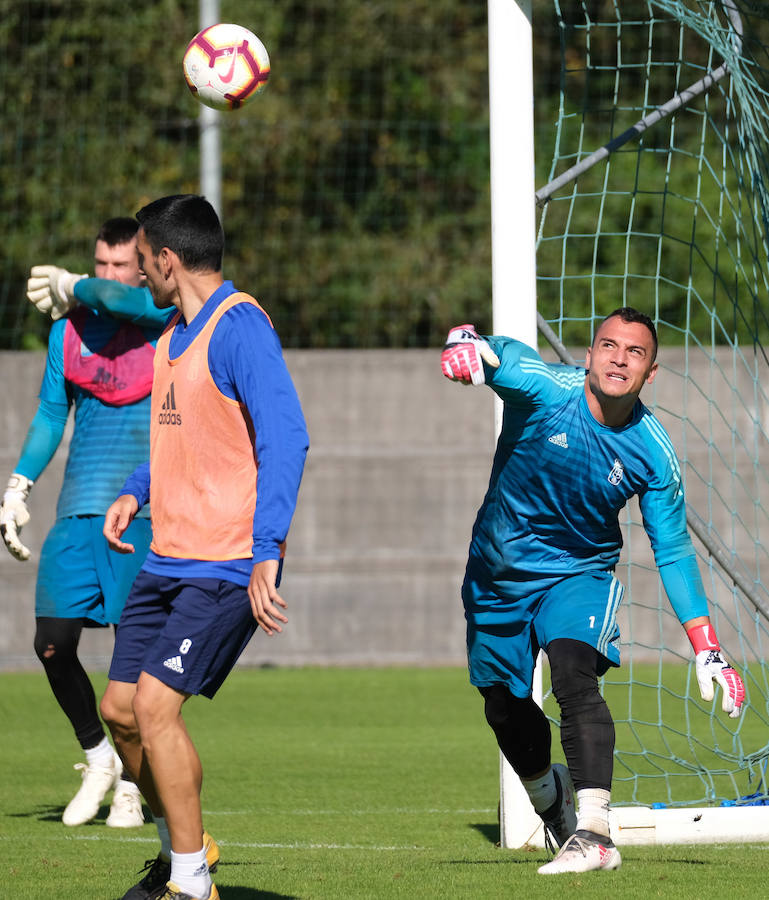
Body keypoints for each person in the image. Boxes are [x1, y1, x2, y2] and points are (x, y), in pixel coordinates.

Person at [440, 309, 746, 875]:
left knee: (573, 675)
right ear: (589, 355)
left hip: (578, 573)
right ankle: (546, 796)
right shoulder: (548, 391)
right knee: (504, 708)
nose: (619, 358)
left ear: (650, 372)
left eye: (634, 352)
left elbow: (673, 549)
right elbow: (503, 356)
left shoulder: (653, 452)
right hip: (496, 575)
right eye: (608, 345)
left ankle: (596, 833)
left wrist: (705, 643)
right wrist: (468, 344)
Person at [99, 194, 309, 900]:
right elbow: (176, 435)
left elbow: (288, 436)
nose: (138, 276)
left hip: (223, 562)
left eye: (143, 261)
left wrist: (267, 547)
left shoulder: (238, 326)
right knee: (121, 713)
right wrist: (136, 490)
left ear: (165, 258)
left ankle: (191, 886)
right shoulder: (170, 336)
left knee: (157, 708)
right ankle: (181, 851)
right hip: (166, 557)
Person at [0, 217, 168, 828]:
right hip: (76, 512)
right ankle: (100, 758)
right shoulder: (68, 333)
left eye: (122, 264)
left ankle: (134, 783)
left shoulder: (161, 320)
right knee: (51, 643)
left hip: (142, 511)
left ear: (145, 267)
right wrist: (18, 486)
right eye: (100, 265)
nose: (110, 277)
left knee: (133, 658)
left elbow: (128, 300)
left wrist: (75, 283)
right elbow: (50, 416)